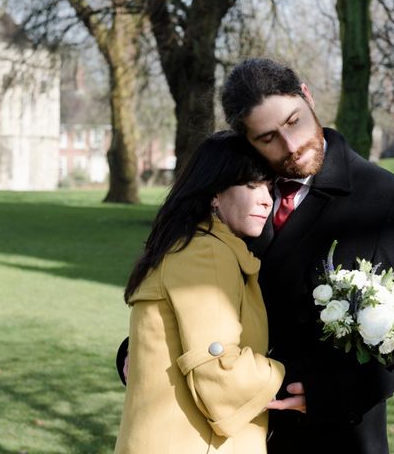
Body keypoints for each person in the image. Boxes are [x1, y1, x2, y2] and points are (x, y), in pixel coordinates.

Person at [220, 58, 394, 454]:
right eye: (267, 138)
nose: (291, 146)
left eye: (293, 121)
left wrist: (329, 395)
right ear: (245, 141)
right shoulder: (226, 196)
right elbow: (193, 282)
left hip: (333, 434)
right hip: (227, 428)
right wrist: (145, 350)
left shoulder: (389, 201)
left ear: (307, 95)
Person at [114, 132, 286, 454]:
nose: (266, 199)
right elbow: (220, 372)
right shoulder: (206, 253)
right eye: (251, 186)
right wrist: (284, 377)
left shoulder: (196, 246)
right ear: (214, 194)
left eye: (270, 187)